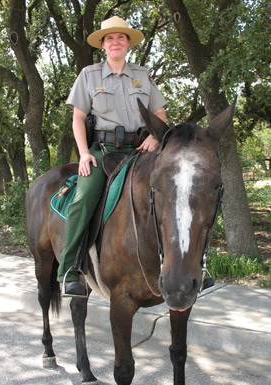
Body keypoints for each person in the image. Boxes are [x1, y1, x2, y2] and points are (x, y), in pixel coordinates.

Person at [57, 16, 167, 296]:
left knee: (175, 187)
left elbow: (160, 114)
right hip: (102, 152)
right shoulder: (89, 75)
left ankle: (190, 267)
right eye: (109, 38)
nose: (115, 42)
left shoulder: (142, 76)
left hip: (140, 150)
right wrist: (83, 154)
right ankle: (71, 269)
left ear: (128, 43)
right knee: (83, 198)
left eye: (120, 37)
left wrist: (155, 135)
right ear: (103, 45)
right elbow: (78, 118)